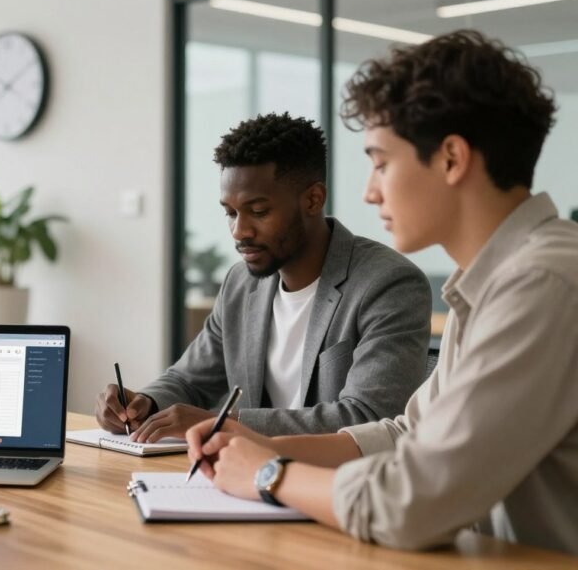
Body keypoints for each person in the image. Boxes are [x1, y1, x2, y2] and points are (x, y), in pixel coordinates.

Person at [186, 30, 578, 554]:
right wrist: (258, 444)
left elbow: (410, 503)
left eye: (380, 161)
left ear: (452, 159)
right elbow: (406, 435)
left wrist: (270, 475)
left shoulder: (541, 284)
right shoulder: (489, 282)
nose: (370, 191)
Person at [97, 113, 431, 440]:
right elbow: (188, 381)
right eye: (230, 213)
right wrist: (144, 403)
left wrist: (223, 423)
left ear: (314, 199)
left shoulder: (388, 284)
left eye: (258, 211)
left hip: (337, 487)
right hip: (246, 479)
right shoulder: (240, 284)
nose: (239, 231)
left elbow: (369, 418)